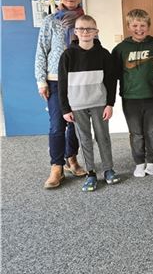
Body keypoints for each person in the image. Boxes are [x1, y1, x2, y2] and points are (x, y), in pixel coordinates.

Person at [58, 15, 120, 191]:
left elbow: (111, 81)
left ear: (96, 32)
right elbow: (62, 84)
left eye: (89, 29)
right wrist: (65, 108)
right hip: (77, 105)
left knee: (103, 137)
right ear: (75, 32)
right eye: (81, 29)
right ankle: (90, 173)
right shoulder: (67, 55)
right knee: (84, 138)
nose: (85, 32)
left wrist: (110, 104)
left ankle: (108, 170)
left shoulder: (104, 54)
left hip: (99, 103)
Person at [35, 0, 86, 188]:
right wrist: (41, 81)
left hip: (79, 80)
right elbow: (41, 51)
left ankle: (71, 158)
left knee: (75, 124)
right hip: (55, 80)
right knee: (57, 125)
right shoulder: (50, 21)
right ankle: (56, 167)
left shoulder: (85, 20)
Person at [112, 9, 153, 178]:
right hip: (130, 97)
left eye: (143, 25)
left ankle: (152, 161)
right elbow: (115, 75)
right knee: (136, 132)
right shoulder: (120, 49)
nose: (139, 29)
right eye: (135, 25)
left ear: (148, 26)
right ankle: (139, 162)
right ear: (129, 26)